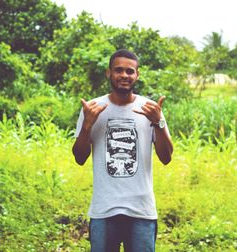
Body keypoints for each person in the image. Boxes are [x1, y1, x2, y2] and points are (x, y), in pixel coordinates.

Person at [72, 49, 173, 252]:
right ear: (109, 73)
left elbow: (166, 157)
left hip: (141, 211)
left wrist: (158, 123)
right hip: (104, 210)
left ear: (137, 74)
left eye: (130, 71)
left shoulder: (150, 109)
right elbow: (80, 158)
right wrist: (87, 126)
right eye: (119, 70)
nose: (124, 76)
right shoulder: (92, 109)